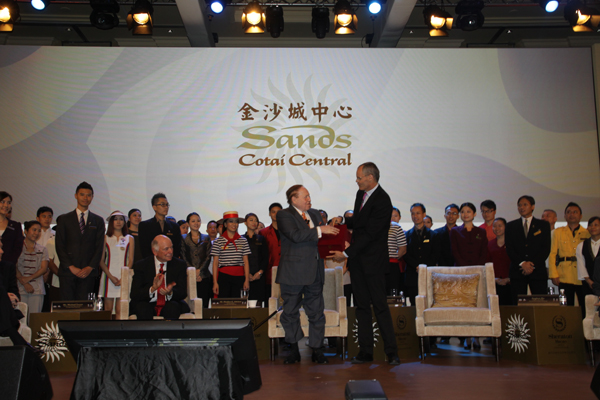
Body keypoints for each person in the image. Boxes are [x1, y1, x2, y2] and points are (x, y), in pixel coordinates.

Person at [330, 162, 400, 365]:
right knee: (361, 307)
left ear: (371, 178)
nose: (357, 181)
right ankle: (365, 351)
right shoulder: (361, 194)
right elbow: (361, 222)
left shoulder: (383, 200)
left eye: (359, 178)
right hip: (358, 262)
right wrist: (343, 222)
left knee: (380, 306)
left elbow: (371, 234)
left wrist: (346, 253)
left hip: (374, 262)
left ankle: (392, 352)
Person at [277, 184, 339, 364]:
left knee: (317, 313)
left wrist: (334, 232)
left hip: (315, 272)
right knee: (290, 313)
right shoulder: (284, 215)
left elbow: (321, 239)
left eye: (309, 196)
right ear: (293, 199)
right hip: (293, 273)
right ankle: (294, 349)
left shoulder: (315, 214)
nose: (309, 199)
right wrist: (321, 230)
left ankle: (317, 349)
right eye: (305, 197)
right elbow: (295, 235)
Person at [55, 182, 105, 301]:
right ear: (76, 196)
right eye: (82, 194)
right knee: (67, 308)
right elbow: (59, 245)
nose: (85, 198)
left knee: (85, 308)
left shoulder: (98, 220)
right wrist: (71, 267)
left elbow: (99, 247)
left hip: (88, 273)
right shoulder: (64, 219)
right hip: (68, 272)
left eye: (88, 195)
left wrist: (90, 267)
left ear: (92, 197)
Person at [450, 202, 488, 350]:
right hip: (461, 274)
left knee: (477, 305)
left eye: (468, 212)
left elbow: (483, 253)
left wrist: (476, 270)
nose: (465, 214)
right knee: (463, 305)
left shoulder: (481, 232)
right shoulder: (455, 231)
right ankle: (466, 336)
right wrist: (465, 270)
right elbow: (455, 252)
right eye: (463, 212)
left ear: (474, 214)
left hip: (477, 274)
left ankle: (476, 336)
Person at [129, 235, 190, 320]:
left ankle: (169, 329)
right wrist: (152, 289)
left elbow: (183, 292)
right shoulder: (141, 265)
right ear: (155, 251)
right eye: (166, 249)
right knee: (142, 308)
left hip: (170, 302)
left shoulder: (179, 265)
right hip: (148, 302)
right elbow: (134, 294)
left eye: (171, 247)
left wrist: (170, 292)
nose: (170, 251)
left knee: (173, 307)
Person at [505, 195, 551, 305]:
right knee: (517, 305)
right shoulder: (511, 226)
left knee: (541, 304)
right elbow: (510, 249)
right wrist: (522, 263)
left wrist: (531, 265)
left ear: (533, 206)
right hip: (518, 271)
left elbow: (545, 248)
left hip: (537, 271)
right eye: (519, 205)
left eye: (525, 204)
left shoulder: (543, 225)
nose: (522, 207)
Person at [548, 202, 589, 309]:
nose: (572, 214)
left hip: (582, 275)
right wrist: (553, 274)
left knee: (584, 307)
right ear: (565, 216)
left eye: (575, 212)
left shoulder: (587, 233)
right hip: (564, 275)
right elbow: (552, 254)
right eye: (569, 212)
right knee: (566, 308)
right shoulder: (558, 232)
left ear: (581, 216)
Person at [98, 211, 134, 316]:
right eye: (115, 219)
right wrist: (111, 277)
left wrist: (123, 277)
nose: (118, 222)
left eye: (121, 219)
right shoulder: (105, 238)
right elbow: (101, 261)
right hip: (108, 277)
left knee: (120, 311)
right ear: (111, 222)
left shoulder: (129, 238)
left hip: (123, 277)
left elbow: (130, 260)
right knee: (107, 311)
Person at [404, 203, 439, 306]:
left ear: (424, 214)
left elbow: (435, 254)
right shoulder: (406, 235)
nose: (415, 216)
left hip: (428, 273)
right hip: (412, 275)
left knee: (429, 304)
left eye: (418, 213)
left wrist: (423, 267)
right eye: (413, 213)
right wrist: (416, 266)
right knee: (414, 305)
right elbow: (405, 253)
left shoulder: (433, 235)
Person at [211, 212, 251, 298]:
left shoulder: (243, 240)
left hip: (239, 276)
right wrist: (215, 282)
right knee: (224, 303)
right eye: (231, 221)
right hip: (224, 277)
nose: (234, 224)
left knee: (238, 303)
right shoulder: (218, 241)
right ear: (225, 224)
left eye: (236, 222)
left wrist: (247, 280)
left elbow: (246, 262)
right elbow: (215, 263)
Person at [16, 221, 48, 322]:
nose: (36, 233)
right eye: (34, 230)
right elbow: (13, 266)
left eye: (39, 231)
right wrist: (24, 282)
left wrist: (28, 279)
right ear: (25, 231)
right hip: (19, 287)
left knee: (34, 320)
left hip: (37, 289)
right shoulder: (17, 248)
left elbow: (43, 268)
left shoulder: (42, 249)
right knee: (20, 320)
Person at [139, 193, 183, 260]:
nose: (166, 207)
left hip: (170, 262)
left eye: (167, 205)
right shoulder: (145, 226)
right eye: (162, 204)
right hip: (152, 263)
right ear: (154, 207)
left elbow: (177, 248)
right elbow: (144, 249)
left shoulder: (175, 226)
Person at [181, 212, 211, 307]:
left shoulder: (206, 237)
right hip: (189, 276)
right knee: (191, 305)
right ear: (188, 223)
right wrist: (193, 272)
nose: (196, 223)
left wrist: (199, 271)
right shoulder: (183, 238)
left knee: (204, 305)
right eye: (193, 221)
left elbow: (208, 256)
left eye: (198, 221)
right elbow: (183, 256)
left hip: (204, 276)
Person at [244, 213, 268, 305]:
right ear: (245, 223)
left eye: (256, 221)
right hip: (245, 277)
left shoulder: (261, 239)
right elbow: (239, 259)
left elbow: (265, 257)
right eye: (251, 220)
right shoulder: (241, 239)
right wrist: (247, 274)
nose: (254, 222)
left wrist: (260, 272)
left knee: (259, 304)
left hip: (259, 276)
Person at [260, 202, 283, 298]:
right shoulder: (263, 232)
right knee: (270, 299)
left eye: (278, 212)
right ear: (269, 214)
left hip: (286, 270)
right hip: (269, 271)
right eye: (273, 212)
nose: (276, 214)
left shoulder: (288, 231)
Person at [488, 218, 511, 306]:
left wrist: (509, 279)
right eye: (494, 226)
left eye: (500, 226)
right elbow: (487, 263)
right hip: (494, 283)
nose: (497, 228)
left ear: (505, 227)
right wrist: (494, 279)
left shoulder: (512, 244)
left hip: (511, 283)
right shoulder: (489, 244)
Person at [36, 206, 54, 312]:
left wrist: (47, 271)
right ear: (38, 218)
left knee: (48, 302)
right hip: (35, 272)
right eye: (44, 216)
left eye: (49, 216)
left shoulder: (56, 235)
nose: (47, 219)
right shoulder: (33, 234)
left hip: (50, 272)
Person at [0, 192, 24, 265]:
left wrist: (9, 263)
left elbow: (18, 248)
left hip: (8, 266)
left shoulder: (15, 226)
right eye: (3, 202)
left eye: (9, 203)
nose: (6, 205)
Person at [579, 217, 600, 298]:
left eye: (596, 225)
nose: (593, 227)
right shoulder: (581, 245)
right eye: (590, 225)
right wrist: (589, 281)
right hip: (588, 284)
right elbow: (581, 265)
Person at [386, 214, 407, 295]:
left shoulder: (396, 227)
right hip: (375, 265)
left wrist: (394, 257)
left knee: (392, 292)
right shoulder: (372, 225)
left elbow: (403, 249)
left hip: (392, 264)